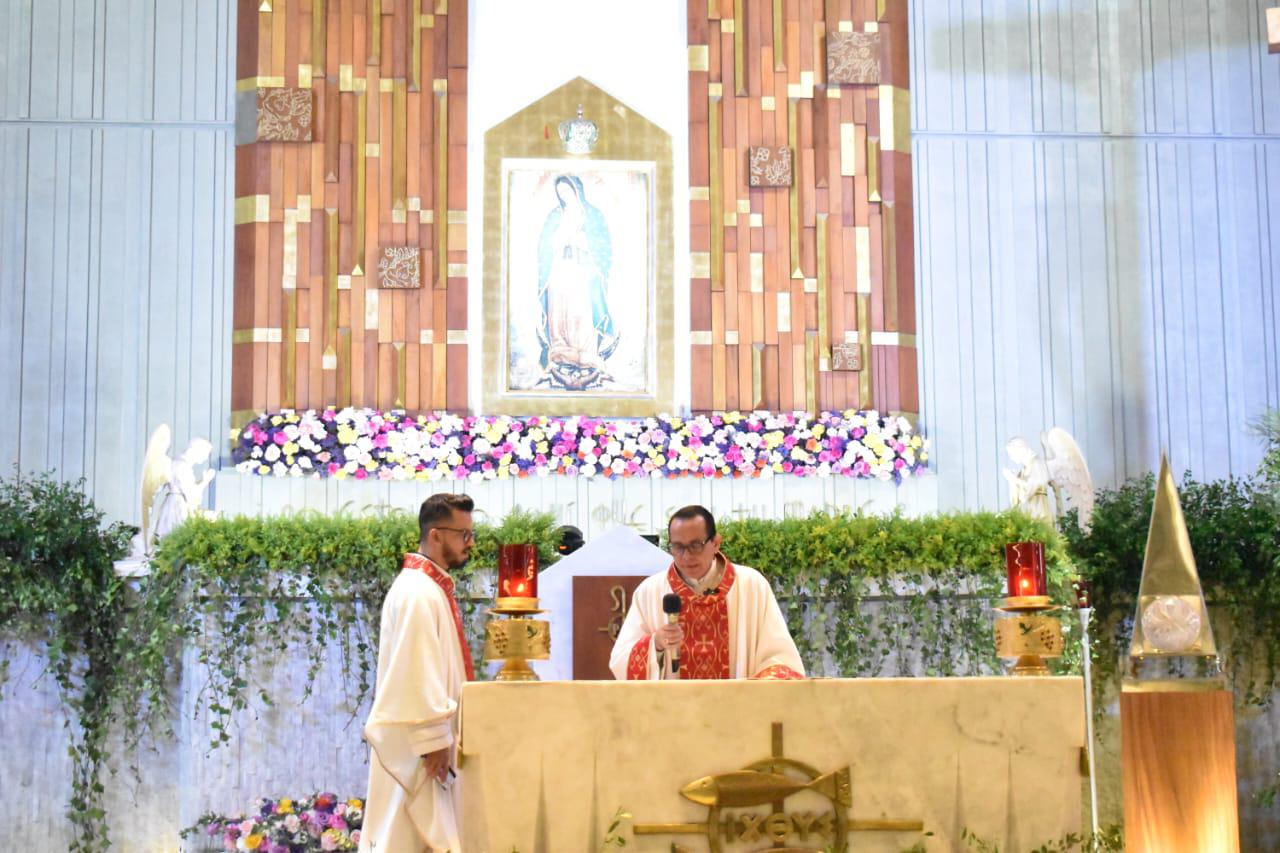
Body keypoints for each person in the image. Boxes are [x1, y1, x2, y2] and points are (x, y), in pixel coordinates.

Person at [360, 494, 476, 853]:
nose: (470, 544)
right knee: (409, 835)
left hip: (431, 741)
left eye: (472, 535)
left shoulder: (430, 588)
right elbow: (415, 668)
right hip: (423, 747)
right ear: (437, 535)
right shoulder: (417, 592)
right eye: (464, 535)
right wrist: (431, 738)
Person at [609, 505, 805, 681]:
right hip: (674, 715)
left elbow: (780, 657)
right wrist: (656, 644)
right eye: (677, 547)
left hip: (736, 713)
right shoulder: (650, 591)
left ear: (716, 543)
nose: (686, 556)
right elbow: (621, 661)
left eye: (695, 546)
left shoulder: (751, 586)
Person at [536, 174, 618, 388]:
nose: (564, 195)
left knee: (580, 311)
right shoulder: (556, 215)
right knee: (559, 312)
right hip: (559, 267)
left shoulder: (591, 215)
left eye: (567, 191)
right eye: (560, 192)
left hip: (583, 269)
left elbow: (603, 247)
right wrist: (556, 241)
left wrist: (583, 243)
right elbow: (544, 245)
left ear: (577, 190)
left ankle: (585, 353)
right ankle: (561, 350)